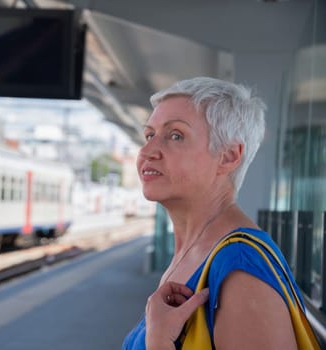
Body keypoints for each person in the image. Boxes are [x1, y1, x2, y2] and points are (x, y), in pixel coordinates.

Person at [123, 77, 307, 349]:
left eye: (175, 135)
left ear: (228, 156)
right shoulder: (194, 252)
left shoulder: (241, 270)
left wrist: (159, 342)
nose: (147, 151)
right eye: (149, 135)